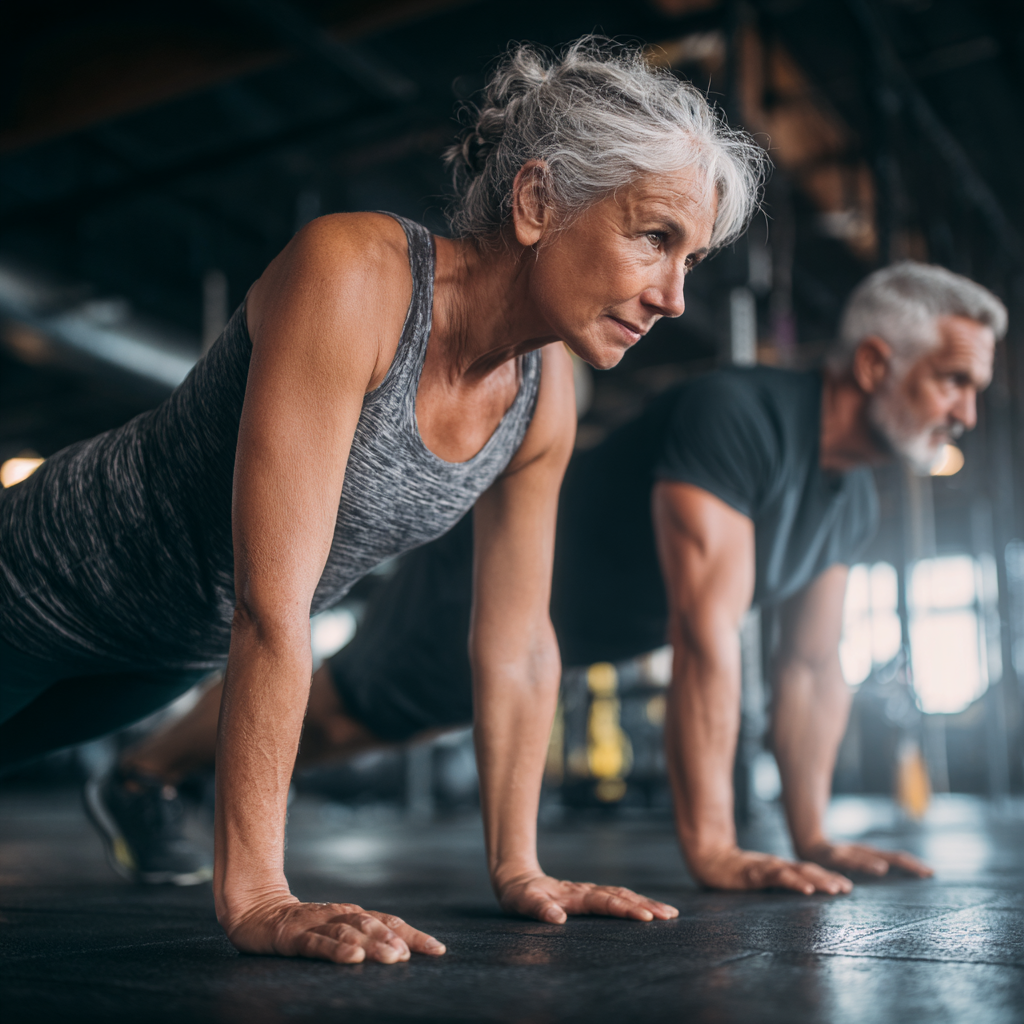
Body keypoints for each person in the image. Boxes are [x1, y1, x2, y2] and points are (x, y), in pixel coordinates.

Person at [0, 38, 766, 962]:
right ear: (537, 202)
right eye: (654, 237)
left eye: (692, 258)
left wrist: (520, 868)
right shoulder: (355, 276)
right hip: (39, 585)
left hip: (161, 654)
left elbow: (519, 642)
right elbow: (273, 606)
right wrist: (259, 897)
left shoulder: (545, 395)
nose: (675, 297)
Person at [115, 261, 1003, 897]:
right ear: (875, 364)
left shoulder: (852, 499)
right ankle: (143, 771)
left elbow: (809, 668)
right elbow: (704, 634)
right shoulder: (740, 415)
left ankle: (174, 773)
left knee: (362, 729)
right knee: (345, 711)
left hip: (558, 640)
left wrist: (814, 836)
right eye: (953, 381)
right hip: (484, 589)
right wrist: (714, 848)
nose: (966, 410)